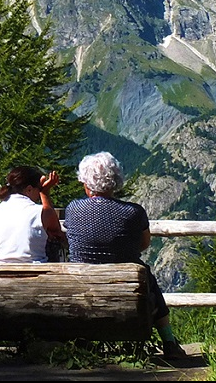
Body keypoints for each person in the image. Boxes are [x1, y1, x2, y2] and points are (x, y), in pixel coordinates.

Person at [64, 151, 186, 360]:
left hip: (81, 281)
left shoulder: (73, 208)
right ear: (115, 182)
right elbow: (144, 243)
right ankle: (169, 341)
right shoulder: (133, 212)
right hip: (124, 281)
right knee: (147, 275)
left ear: (86, 184)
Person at [0, 166, 64, 263]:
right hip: (34, 273)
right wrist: (45, 193)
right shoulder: (41, 212)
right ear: (29, 189)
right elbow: (58, 235)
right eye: (38, 189)